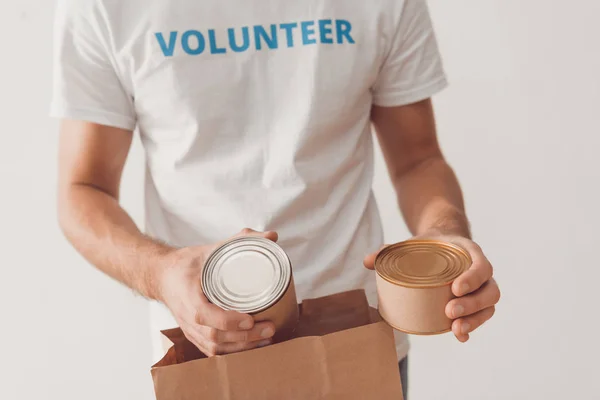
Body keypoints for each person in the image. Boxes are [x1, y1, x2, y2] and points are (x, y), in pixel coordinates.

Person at [52, 0, 501, 397]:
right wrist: (161, 273)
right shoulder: (103, 6)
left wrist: (446, 236)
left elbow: (418, 161)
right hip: (205, 351)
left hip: (357, 340)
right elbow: (83, 190)